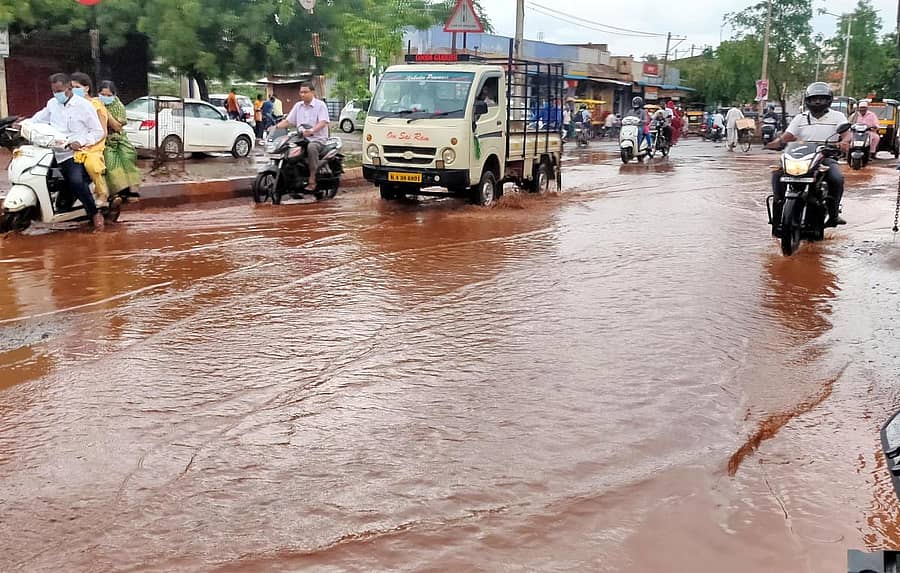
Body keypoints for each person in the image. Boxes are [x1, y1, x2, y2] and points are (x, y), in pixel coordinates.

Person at [766, 81, 848, 227]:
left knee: (837, 178)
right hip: (800, 157)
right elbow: (788, 136)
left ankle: (833, 214)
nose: (817, 102)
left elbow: (847, 135)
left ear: (828, 100)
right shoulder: (800, 118)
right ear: (808, 101)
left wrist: (845, 142)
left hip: (826, 157)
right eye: (814, 99)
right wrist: (775, 143)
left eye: (821, 98)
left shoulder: (838, 116)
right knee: (777, 174)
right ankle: (778, 212)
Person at [30, 73, 105, 230]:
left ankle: (94, 213)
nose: (57, 94)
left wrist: (81, 141)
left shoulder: (84, 106)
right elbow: (37, 119)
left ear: (69, 88)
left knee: (76, 181)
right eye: (54, 91)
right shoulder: (52, 104)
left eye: (59, 91)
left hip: (74, 154)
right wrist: (22, 125)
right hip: (53, 151)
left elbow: (98, 131)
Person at [274, 82, 330, 192]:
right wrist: (275, 127)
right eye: (301, 92)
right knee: (288, 149)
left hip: (317, 139)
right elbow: (288, 121)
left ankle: (312, 178)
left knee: (311, 147)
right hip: (301, 139)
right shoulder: (298, 106)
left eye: (305, 92)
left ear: (312, 92)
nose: (302, 94)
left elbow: (323, 122)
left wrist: (312, 130)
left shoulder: (320, 105)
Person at [97, 80, 141, 202]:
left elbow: (117, 127)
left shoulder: (118, 106)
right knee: (111, 161)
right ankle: (118, 191)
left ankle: (132, 191)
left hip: (119, 138)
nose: (105, 98)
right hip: (103, 140)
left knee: (128, 156)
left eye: (109, 95)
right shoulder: (94, 104)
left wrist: (106, 113)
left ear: (114, 95)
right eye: (103, 95)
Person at [70, 72, 110, 204]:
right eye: (71, 87)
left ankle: (102, 193)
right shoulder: (72, 106)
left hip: (94, 144)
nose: (73, 90)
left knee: (91, 163)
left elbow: (103, 131)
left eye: (76, 87)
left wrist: (89, 144)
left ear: (86, 88)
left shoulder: (96, 105)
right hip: (75, 143)